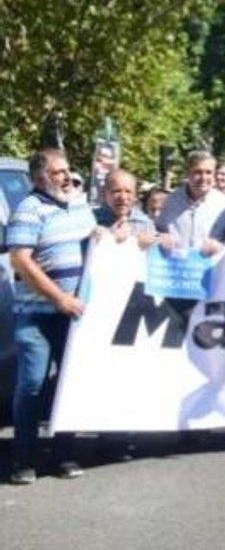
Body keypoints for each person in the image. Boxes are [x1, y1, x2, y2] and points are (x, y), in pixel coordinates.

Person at [6, 149, 97, 484]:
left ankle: (64, 454)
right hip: (38, 314)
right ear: (38, 177)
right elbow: (21, 261)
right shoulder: (28, 210)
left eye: (67, 170)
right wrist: (59, 297)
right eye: (57, 172)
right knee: (32, 383)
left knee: (67, 383)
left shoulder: (77, 204)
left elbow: (93, 239)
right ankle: (23, 459)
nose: (65, 177)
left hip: (73, 314)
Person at [155, 151, 225, 252]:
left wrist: (220, 247)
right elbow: (157, 231)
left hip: (214, 265)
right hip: (176, 265)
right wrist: (160, 238)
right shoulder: (170, 201)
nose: (203, 178)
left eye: (208, 172)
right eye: (198, 172)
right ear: (188, 173)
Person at [94, 169, 157, 241]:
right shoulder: (90, 220)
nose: (123, 197)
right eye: (117, 191)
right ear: (104, 193)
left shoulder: (146, 225)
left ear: (135, 196)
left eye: (128, 191)